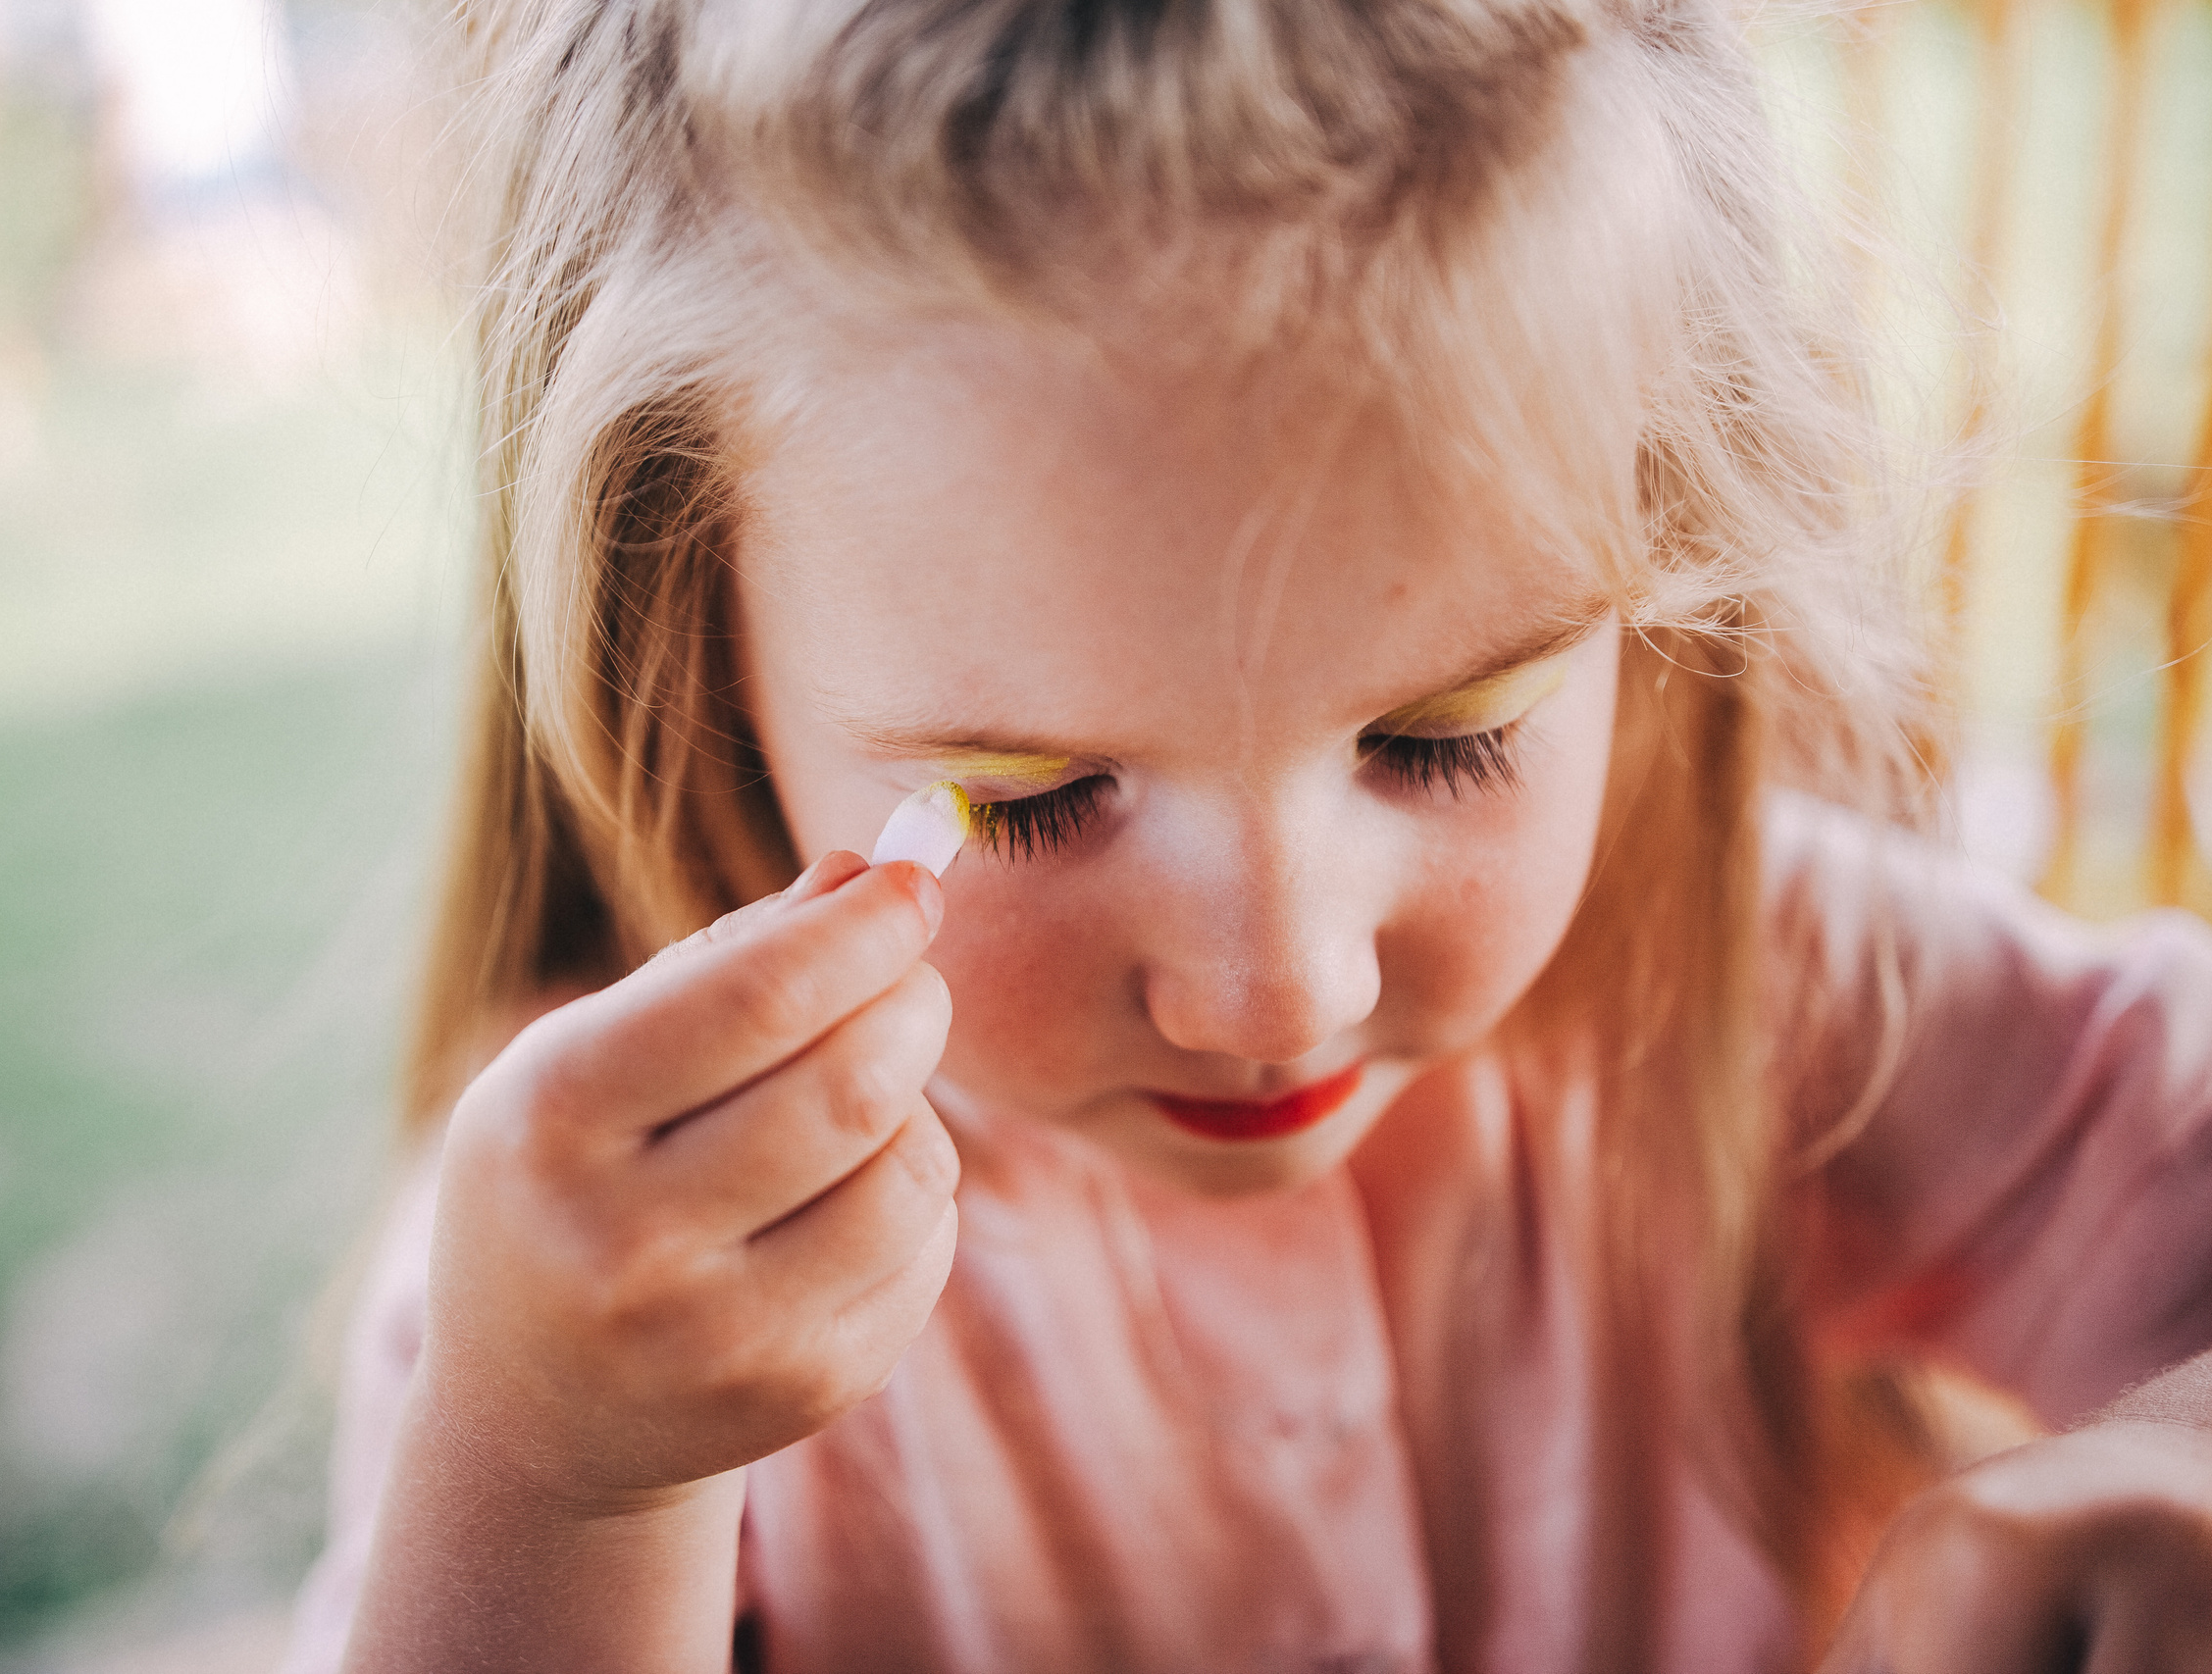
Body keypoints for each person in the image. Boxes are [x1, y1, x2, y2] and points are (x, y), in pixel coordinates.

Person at [283, 0, 2212, 1667]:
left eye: (1443, 734)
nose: (1282, 982)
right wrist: (557, 1478)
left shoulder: (1755, 976)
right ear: (690, 648)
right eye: (1024, 796)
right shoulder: (611, 1293)